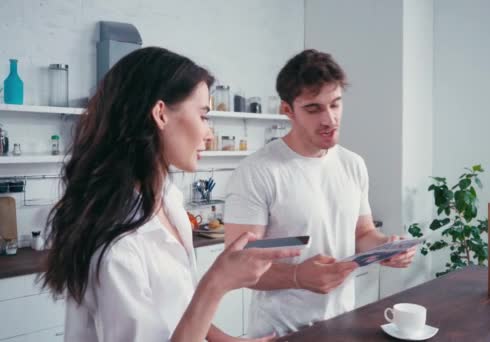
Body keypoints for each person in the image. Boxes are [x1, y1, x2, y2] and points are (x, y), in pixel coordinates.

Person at [42, 47, 300, 342]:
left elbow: (177, 314)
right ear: (161, 114)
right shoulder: (118, 246)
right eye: (203, 116)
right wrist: (216, 283)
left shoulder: (169, 201)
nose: (209, 133)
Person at [223, 49, 417, 337]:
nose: (330, 119)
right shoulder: (258, 171)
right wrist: (298, 276)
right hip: (280, 333)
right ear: (287, 110)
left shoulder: (353, 164)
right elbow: (239, 264)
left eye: (336, 104)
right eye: (314, 109)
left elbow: (362, 233)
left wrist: (385, 248)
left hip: (341, 325)